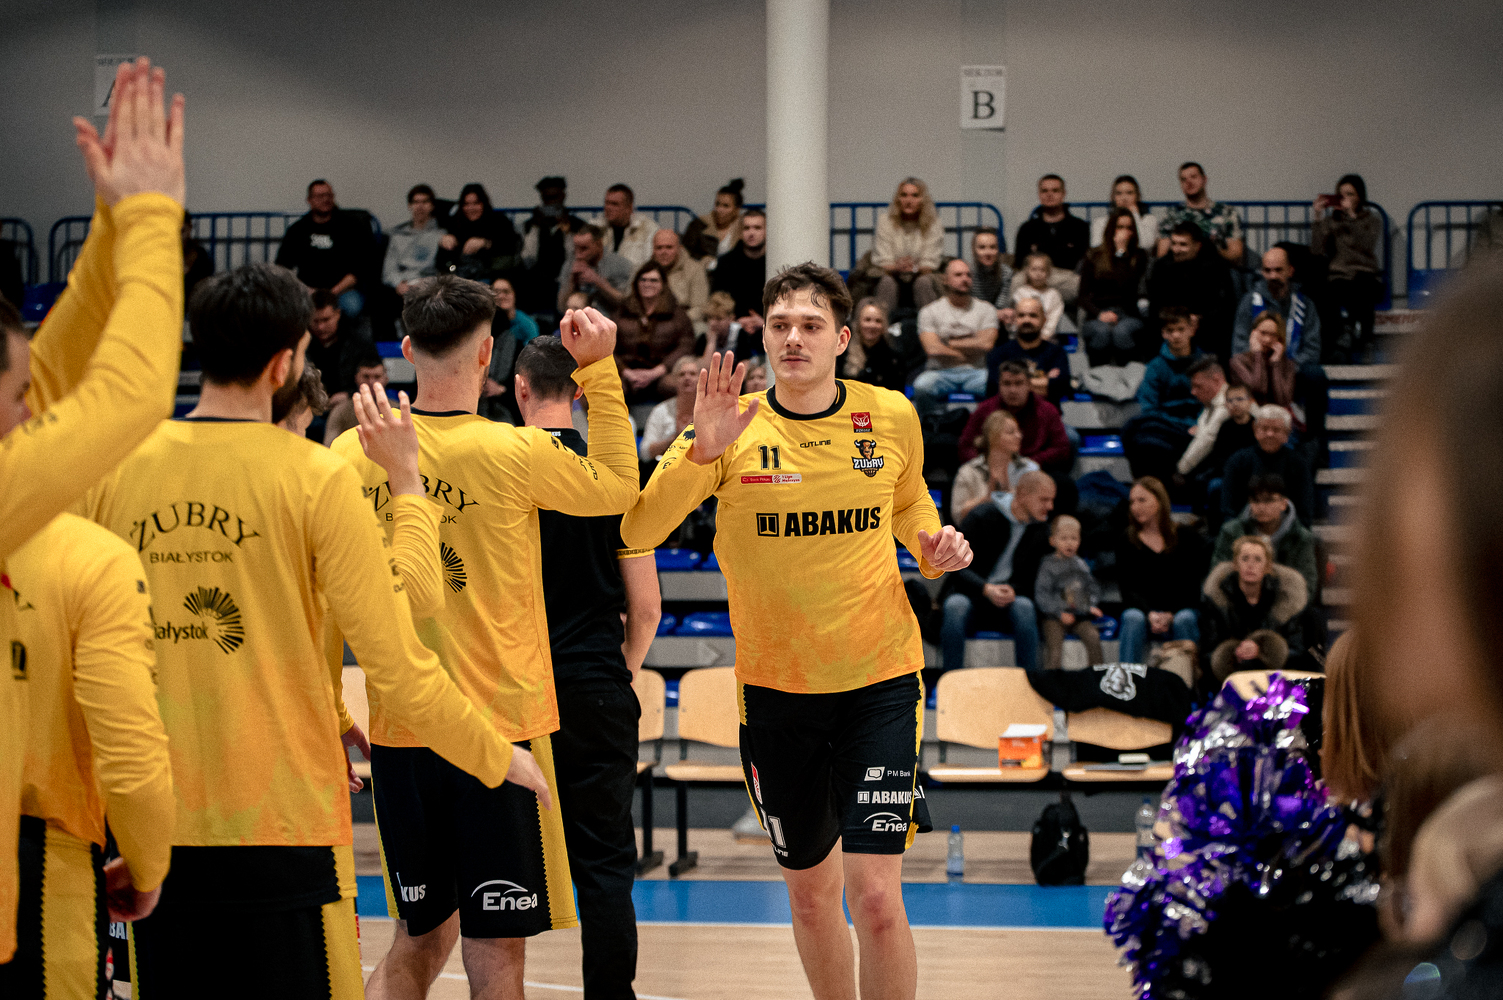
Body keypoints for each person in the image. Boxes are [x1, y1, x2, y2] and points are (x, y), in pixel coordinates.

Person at [77, 263, 542, 997]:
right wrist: (492, 753)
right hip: (284, 814)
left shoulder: (116, 470)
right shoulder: (313, 476)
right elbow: (404, 638)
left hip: (155, 814)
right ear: (285, 362)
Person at [621, 262, 973, 1000]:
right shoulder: (729, 424)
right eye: (780, 325)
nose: (793, 338)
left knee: (875, 896)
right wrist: (700, 448)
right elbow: (639, 528)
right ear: (763, 336)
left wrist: (931, 543)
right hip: (777, 691)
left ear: (842, 339)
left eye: (811, 325)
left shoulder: (890, 414)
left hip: (879, 681)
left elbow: (908, 501)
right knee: (813, 898)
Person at [330, 279, 640, 1000]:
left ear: (406, 349)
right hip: (499, 733)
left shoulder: (351, 451)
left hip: (402, 731)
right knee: (496, 952)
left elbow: (318, 599)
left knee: (415, 938)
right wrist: (599, 372)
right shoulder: (514, 450)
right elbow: (619, 487)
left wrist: (329, 708)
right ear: (487, 354)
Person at [0, 61, 186, 968]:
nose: (32, 411)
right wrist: (151, 216)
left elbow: (60, 366)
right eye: (16, 397)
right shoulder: (61, 537)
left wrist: (112, 223)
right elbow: (128, 390)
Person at [2, 314, 176, 995]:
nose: (30, 411)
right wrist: (148, 861)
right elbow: (129, 744)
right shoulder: (85, 556)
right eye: (21, 393)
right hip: (41, 857)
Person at [514, 336, 662, 1000]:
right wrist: (616, 670)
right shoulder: (614, 476)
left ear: (519, 388)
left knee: (501, 862)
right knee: (605, 867)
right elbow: (647, 608)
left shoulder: (499, 469)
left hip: (516, 690)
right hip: (596, 684)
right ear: (580, 393)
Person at [941, 471, 1056, 672]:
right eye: (1044, 500)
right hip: (973, 594)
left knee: (1025, 607)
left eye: (1052, 500)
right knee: (955, 606)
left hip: (1010, 599)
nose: (1050, 506)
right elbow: (955, 566)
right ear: (1022, 495)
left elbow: (1035, 578)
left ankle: (1029, 682)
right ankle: (950, 681)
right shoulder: (981, 516)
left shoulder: (1041, 530)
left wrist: (1013, 590)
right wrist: (985, 588)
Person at [1115, 477, 1207, 664]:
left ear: (1159, 501)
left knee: (1185, 618)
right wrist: (1150, 614)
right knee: (1132, 617)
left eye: (1142, 500)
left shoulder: (1187, 537)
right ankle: (1126, 679)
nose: (1135, 507)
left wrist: (1170, 615)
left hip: (1179, 610)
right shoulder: (1126, 540)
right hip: (1145, 613)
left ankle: (1187, 678)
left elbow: (1192, 587)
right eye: (1132, 502)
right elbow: (1128, 589)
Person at [1199, 535, 1308, 686]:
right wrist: (1235, 652)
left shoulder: (1284, 599)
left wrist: (1263, 651)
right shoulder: (1217, 598)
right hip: (1227, 679)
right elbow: (1207, 650)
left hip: (1275, 679)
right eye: (1245, 559)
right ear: (1235, 565)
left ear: (1267, 567)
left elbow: (1297, 649)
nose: (1250, 565)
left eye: (1257, 559)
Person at [1122, 306, 1207, 485]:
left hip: (1198, 427)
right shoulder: (1155, 367)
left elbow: (1210, 402)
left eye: (1181, 329)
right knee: (1134, 430)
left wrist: (1199, 424)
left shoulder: (1205, 365)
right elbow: (1149, 408)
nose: (1176, 335)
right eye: (1170, 330)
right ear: (1163, 333)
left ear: (1191, 330)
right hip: (1165, 428)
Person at [275, 178, 374, 317]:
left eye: (329, 195)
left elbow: (359, 269)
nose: (325, 199)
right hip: (307, 290)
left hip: (342, 291)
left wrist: (333, 292)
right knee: (286, 308)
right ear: (309, 200)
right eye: (320, 196)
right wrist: (307, 290)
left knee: (353, 306)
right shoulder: (298, 229)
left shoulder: (350, 226)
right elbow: (283, 267)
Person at [911, 258, 999, 415]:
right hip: (940, 373)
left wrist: (948, 343)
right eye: (958, 275)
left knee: (997, 384)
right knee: (922, 386)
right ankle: (932, 425)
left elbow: (986, 344)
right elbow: (932, 349)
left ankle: (986, 426)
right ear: (945, 280)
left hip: (977, 373)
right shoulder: (929, 311)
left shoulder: (986, 310)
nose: (965, 279)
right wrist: (970, 349)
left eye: (968, 275)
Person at [1313, 174, 1383, 361]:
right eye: (1341, 194)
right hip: (1341, 274)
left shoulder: (1372, 220)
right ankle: (1346, 334)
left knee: (1363, 287)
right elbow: (1317, 249)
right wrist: (1319, 217)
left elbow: (1366, 245)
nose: (1345, 198)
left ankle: (1363, 338)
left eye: (1350, 194)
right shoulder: (1333, 221)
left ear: (1359, 197)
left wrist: (1352, 217)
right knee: (1335, 290)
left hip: (1366, 273)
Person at [1213, 473, 1318, 596]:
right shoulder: (1231, 532)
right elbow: (1217, 578)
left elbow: (1307, 585)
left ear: (1283, 504)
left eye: (1269, 501)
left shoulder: (1301, 537)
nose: (1261, 507)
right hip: (1238, 601)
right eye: (1255, 501)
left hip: (1285, 602)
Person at [1146, 221, 1237, 361]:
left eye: (1183, 245)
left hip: (1206, 326)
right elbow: (1155, 304)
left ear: (1197, 246)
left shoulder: (1216, 267)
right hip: (1170, 323)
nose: (1176, 249)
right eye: (1174, 243)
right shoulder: (1162, 266)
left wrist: (1199, 318)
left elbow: (1224, 305)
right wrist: (1174, 318)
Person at [959, 361, 1071, 473]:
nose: (1013, 390)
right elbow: (966, 446)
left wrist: (1031, 462)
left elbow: (1061, 448)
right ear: (999, 385)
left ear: (1029, 385)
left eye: (1019, 383)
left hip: (1035, 470)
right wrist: (988, 463)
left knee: (1063, 481)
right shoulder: (984, 409)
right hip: (992, 470)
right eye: (1006, 384)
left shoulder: (1048, 410)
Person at [1220, 405, 1315, 527]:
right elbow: (1228, 508)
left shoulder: (1298, 464)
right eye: (1264, 428)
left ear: (1287, 433)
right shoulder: (1237, 461)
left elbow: (1304, 510)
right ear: (1255, 429)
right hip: (1244, 529)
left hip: (1286, 529)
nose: (1269, 434)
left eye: (1276, 430)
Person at [615, 262, 695, 404]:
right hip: (627, 372)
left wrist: (657, 372)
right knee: (609, 388)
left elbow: (686, 345)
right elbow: (606, 346)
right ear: (636, 283)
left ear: (663, 284)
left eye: (653, 280)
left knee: (677, 385)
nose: (647, 284)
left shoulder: (677, 314)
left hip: (662, 373)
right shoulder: (622, 312)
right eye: (643, 280)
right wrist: (625, 371)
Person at [1034, 515, 1105, 672]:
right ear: (1053, 541)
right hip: (1054, 617)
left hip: (1079, 616)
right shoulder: (1048, 566)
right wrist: (1059, 612)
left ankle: (1097, 678)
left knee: (1093, 637)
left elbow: (1092, 589)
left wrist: (1089, 606)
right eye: (1064, 538)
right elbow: (1042, 595)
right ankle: (1051, 680)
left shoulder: (1081, 565)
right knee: (1054, 648)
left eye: (1074, 538)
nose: (1069, 543)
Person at [1079, 207, 1149, 366]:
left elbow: (1125, 286)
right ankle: (1098, 375)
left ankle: (1129, 375)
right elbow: (1082, 296)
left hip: (1129, 313)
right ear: (1111, 229)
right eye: (1119, 227)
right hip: (1098, 314)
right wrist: (1099, 313)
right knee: (1101, 331)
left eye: (1129, 228)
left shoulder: (1139, 256)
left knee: (1121, 331)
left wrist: (1121, 254)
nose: (1124, 232)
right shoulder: (1094, 255)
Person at [1232, 248, 1322, 368]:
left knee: (1315, 373)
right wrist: (1261, 362)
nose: (1273, 276)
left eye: (1278, 270)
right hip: (1256, 368)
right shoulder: (1249, 301)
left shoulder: (1305, 304)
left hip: (1294, 369)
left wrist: (1287, 368)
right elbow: (1239, 347)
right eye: (1267, 270)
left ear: (1290, 271)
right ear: (1262, 272)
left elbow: (1312, 349)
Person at [951, 409, 1040, 524]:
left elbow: (1039, 512)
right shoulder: (969, 472)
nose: (1019, 436)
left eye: (1018, 431)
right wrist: (986, 500)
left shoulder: (1030, 469)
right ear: (993, 437)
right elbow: (958, 516)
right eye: (1011, 432)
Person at [871, 177, 945, 316]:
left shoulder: (933, 223)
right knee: (887, 282)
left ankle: (931, 326)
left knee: (924, 283)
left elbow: (930, 263)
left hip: (922, 276)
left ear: (923, 200)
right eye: (904, 195)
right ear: (897, 199)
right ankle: (881, 325)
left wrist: (914, 268)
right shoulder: (885, 221)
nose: (908, 200)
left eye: (915, 195)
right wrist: (898, 267)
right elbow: (883, 260)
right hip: (892, 276)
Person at [1011, 174, 1089, 303]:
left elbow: (1083, 260)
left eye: (1055, 190)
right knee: (1016, 281)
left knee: (1083, 285)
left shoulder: (1079, 227)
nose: (1049, 194)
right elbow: (1020, 262)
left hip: (1066, 278)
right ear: (1039, 194)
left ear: (1063, 194)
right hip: (1033, 276)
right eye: (1044, 191)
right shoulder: (1027, 228)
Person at [519, 176, 587, 314]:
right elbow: (528, 260)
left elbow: (574, 256)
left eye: (554, 198)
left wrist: (567, 230)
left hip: (566, 283)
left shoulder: (577, 225)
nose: (551, 203)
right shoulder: (529, 226)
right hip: (537, 286)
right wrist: (536, 227)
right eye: (547, 199)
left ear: (563, 197)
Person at [1155, 162, 1245, 265]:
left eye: (1193, 177)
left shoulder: (1226, 212)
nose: (1189, 182)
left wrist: (1211, 251)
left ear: (1204, 179)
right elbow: (1162, 254)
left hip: (1216, 269)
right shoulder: (1171, 214)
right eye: (1183, 179)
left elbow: (1236, 254)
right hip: (1181, 269)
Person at [987, 297, 1071, 407]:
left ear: (1044, 320)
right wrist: (1045, 380)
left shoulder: (1056, 353)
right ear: (1015, 320)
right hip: (1008, 415)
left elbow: (1060, 388)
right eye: (1021, 315)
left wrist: (1012, 383)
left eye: (1033, 315)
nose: (1027, 320)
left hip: (1046, 415)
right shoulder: (999, 353)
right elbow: (994, 388)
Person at [305, 287, 378, 408]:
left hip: (350, 405)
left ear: (337, 314)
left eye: (326, 320)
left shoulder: (360, 342)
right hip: (311, 405)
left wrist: (349, 395)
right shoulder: (302, 344)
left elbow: (376, 380)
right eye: (315, 321)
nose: (320, 327)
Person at [437, 183, 517, 282]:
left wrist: (486, 243)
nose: (471, 208)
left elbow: (511, 246)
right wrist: (445, 242)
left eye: (476, 203)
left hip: (492, 277)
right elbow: (443, 263)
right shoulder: (455, 224)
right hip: (459, 279)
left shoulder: (499, 221)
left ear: (483, 203)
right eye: (466, 204)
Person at [710, 208, 768, 334]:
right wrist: (735, 322)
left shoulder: (775, 262)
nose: (751, 233)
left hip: (769, 328)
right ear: (740, 232)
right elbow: (717, 301)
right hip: (731, 328)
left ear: (766, 231)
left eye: (757, 228)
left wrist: (765, 323)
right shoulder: (725, 263)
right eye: (746, 228)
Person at [383, 184, 443, 300]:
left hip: (430, 286)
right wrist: (398, 284)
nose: (420, 206)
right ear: (409, 206)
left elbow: (446, 271)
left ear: (432, 206)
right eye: (416, 202)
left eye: (425, 202)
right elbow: (388, 271)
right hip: (403, 284)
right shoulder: (398, 235)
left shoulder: (441, 236)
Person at [1175, 357, 1230, 481]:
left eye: (1198, 386)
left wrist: (1180, 470)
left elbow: (1206, 440)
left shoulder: (1227, 405)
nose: (1193, 392)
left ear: (1216, 379)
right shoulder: (1210, 405)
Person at [1230, 310, 1297, 411]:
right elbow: (1258, 391)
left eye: (1273, 335)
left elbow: (1283, 401)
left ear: (1279, 337)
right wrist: (1258, 354)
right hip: (1250, 413)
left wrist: (1275, 363)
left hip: (1278, 414)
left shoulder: (1287, 364)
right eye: (1263, 333)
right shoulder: (1238, 361)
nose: (1267, 339)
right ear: (1253, 333)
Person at [558, 225, 633, 314]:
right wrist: (572, 282)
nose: (578, 255)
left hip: (608, 318)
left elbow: (626, 303)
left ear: (598, 244)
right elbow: (561, 307)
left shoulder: (619, 264)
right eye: (576, 248)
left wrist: (597, 281)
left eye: (584, 248)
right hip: (577, 318)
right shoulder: (570, 264)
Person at [841, 297, 910, 392]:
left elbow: (897, 396)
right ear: (858, 323)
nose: (872, 325)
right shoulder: (842, 354)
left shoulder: (895, 359)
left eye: (878, 321)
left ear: (884, 326)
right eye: (867, 320)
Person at [640, 355, 702, 462]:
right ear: (674, 380)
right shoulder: (660, 411)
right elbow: (644, 452)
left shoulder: (710, 410)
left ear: (702, 379)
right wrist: (672, 441)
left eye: (692, 374)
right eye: (681, 374)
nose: (687, 378)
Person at [591, 184, 658, 268]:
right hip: (598, 275)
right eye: (607, 203)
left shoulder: (648, 228)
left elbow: (649, 264)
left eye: (614, 204)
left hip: (636, 275)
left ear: (629, 208)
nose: (608, 208)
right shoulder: (594, 227)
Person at [652, 229, 709, 324]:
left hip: (685, 321)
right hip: (652, 321)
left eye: (669, 247)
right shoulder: (645, 271)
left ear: (679, 248)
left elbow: (700, 308)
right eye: (659, 248)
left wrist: (675, 322)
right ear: (653, 250)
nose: (664, 252)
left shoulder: (694, 269)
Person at [1089, 175, 1159, 251]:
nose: (1124, 198)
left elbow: (1146, 245)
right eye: (1119, 193)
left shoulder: (1149, 220)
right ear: (1113, 197)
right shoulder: (1100, 222)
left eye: (1129, 193)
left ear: (1138, 196)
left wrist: (1135, 216)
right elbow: (1096, 246)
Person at [683, 178, 745, 262]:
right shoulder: (699, 225)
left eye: (726, 206)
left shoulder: (744, 228)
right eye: (717, 204)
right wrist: (704, 261)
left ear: (737, 210)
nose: (719, 210)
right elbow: (686, 253)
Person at [1007, 253, 1065, 341]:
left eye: (1042, 270)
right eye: (1034, 269)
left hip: (1047, 339)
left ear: (1048, 272)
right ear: (1027, 271)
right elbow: (1015, 319)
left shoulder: (1054, 295)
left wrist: (1044, 336)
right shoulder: (1020, 293)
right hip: (1022, 337)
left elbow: (1054, 319)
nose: (1038, 274)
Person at [696, 290, 761, 366]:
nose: (713, 323)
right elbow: (704, 368)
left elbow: (745, 364)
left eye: (719, 319)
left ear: (731, 318)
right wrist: (711, 343)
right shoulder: (704, 337)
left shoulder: (740, 334)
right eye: (710, 318)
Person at [969, 227, 1015, 318]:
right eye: (982, 247)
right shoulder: (967, 273)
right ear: (974, 250)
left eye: (992, 247)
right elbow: (968, 307)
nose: (988, 252)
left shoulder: (1006, 273)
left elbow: (1002, 307)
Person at [181, 210, 213, 301]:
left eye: (182, 231)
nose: (179, 237)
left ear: (190, 228)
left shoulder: (201, 256)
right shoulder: (162, 257)